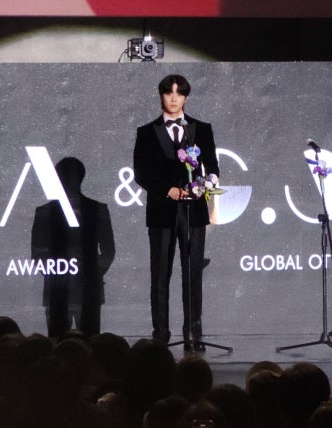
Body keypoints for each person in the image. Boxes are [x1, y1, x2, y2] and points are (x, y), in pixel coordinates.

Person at [133, 74, 220, 350]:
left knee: (193, 273)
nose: (173, 98)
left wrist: (205, 185)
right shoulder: (147, 132)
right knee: (160, 276)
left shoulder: (200, 129)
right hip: (162, 212)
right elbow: (140, 173)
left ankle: (193, 333)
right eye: (168, 92)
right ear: (161, 95)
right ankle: (160, 335)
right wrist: (166, 190)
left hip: (194, 211)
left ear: (186, 97)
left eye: (179, 93)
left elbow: (213, 167)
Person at [31, 157, 115, 338]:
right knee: (84, 342)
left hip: (69, 288)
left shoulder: (45, 211)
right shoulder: (97, 209)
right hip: (69, 288)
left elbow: (38, 253)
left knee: (64, 343)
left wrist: (57, 273)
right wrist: (92, 273)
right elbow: (108, 251)